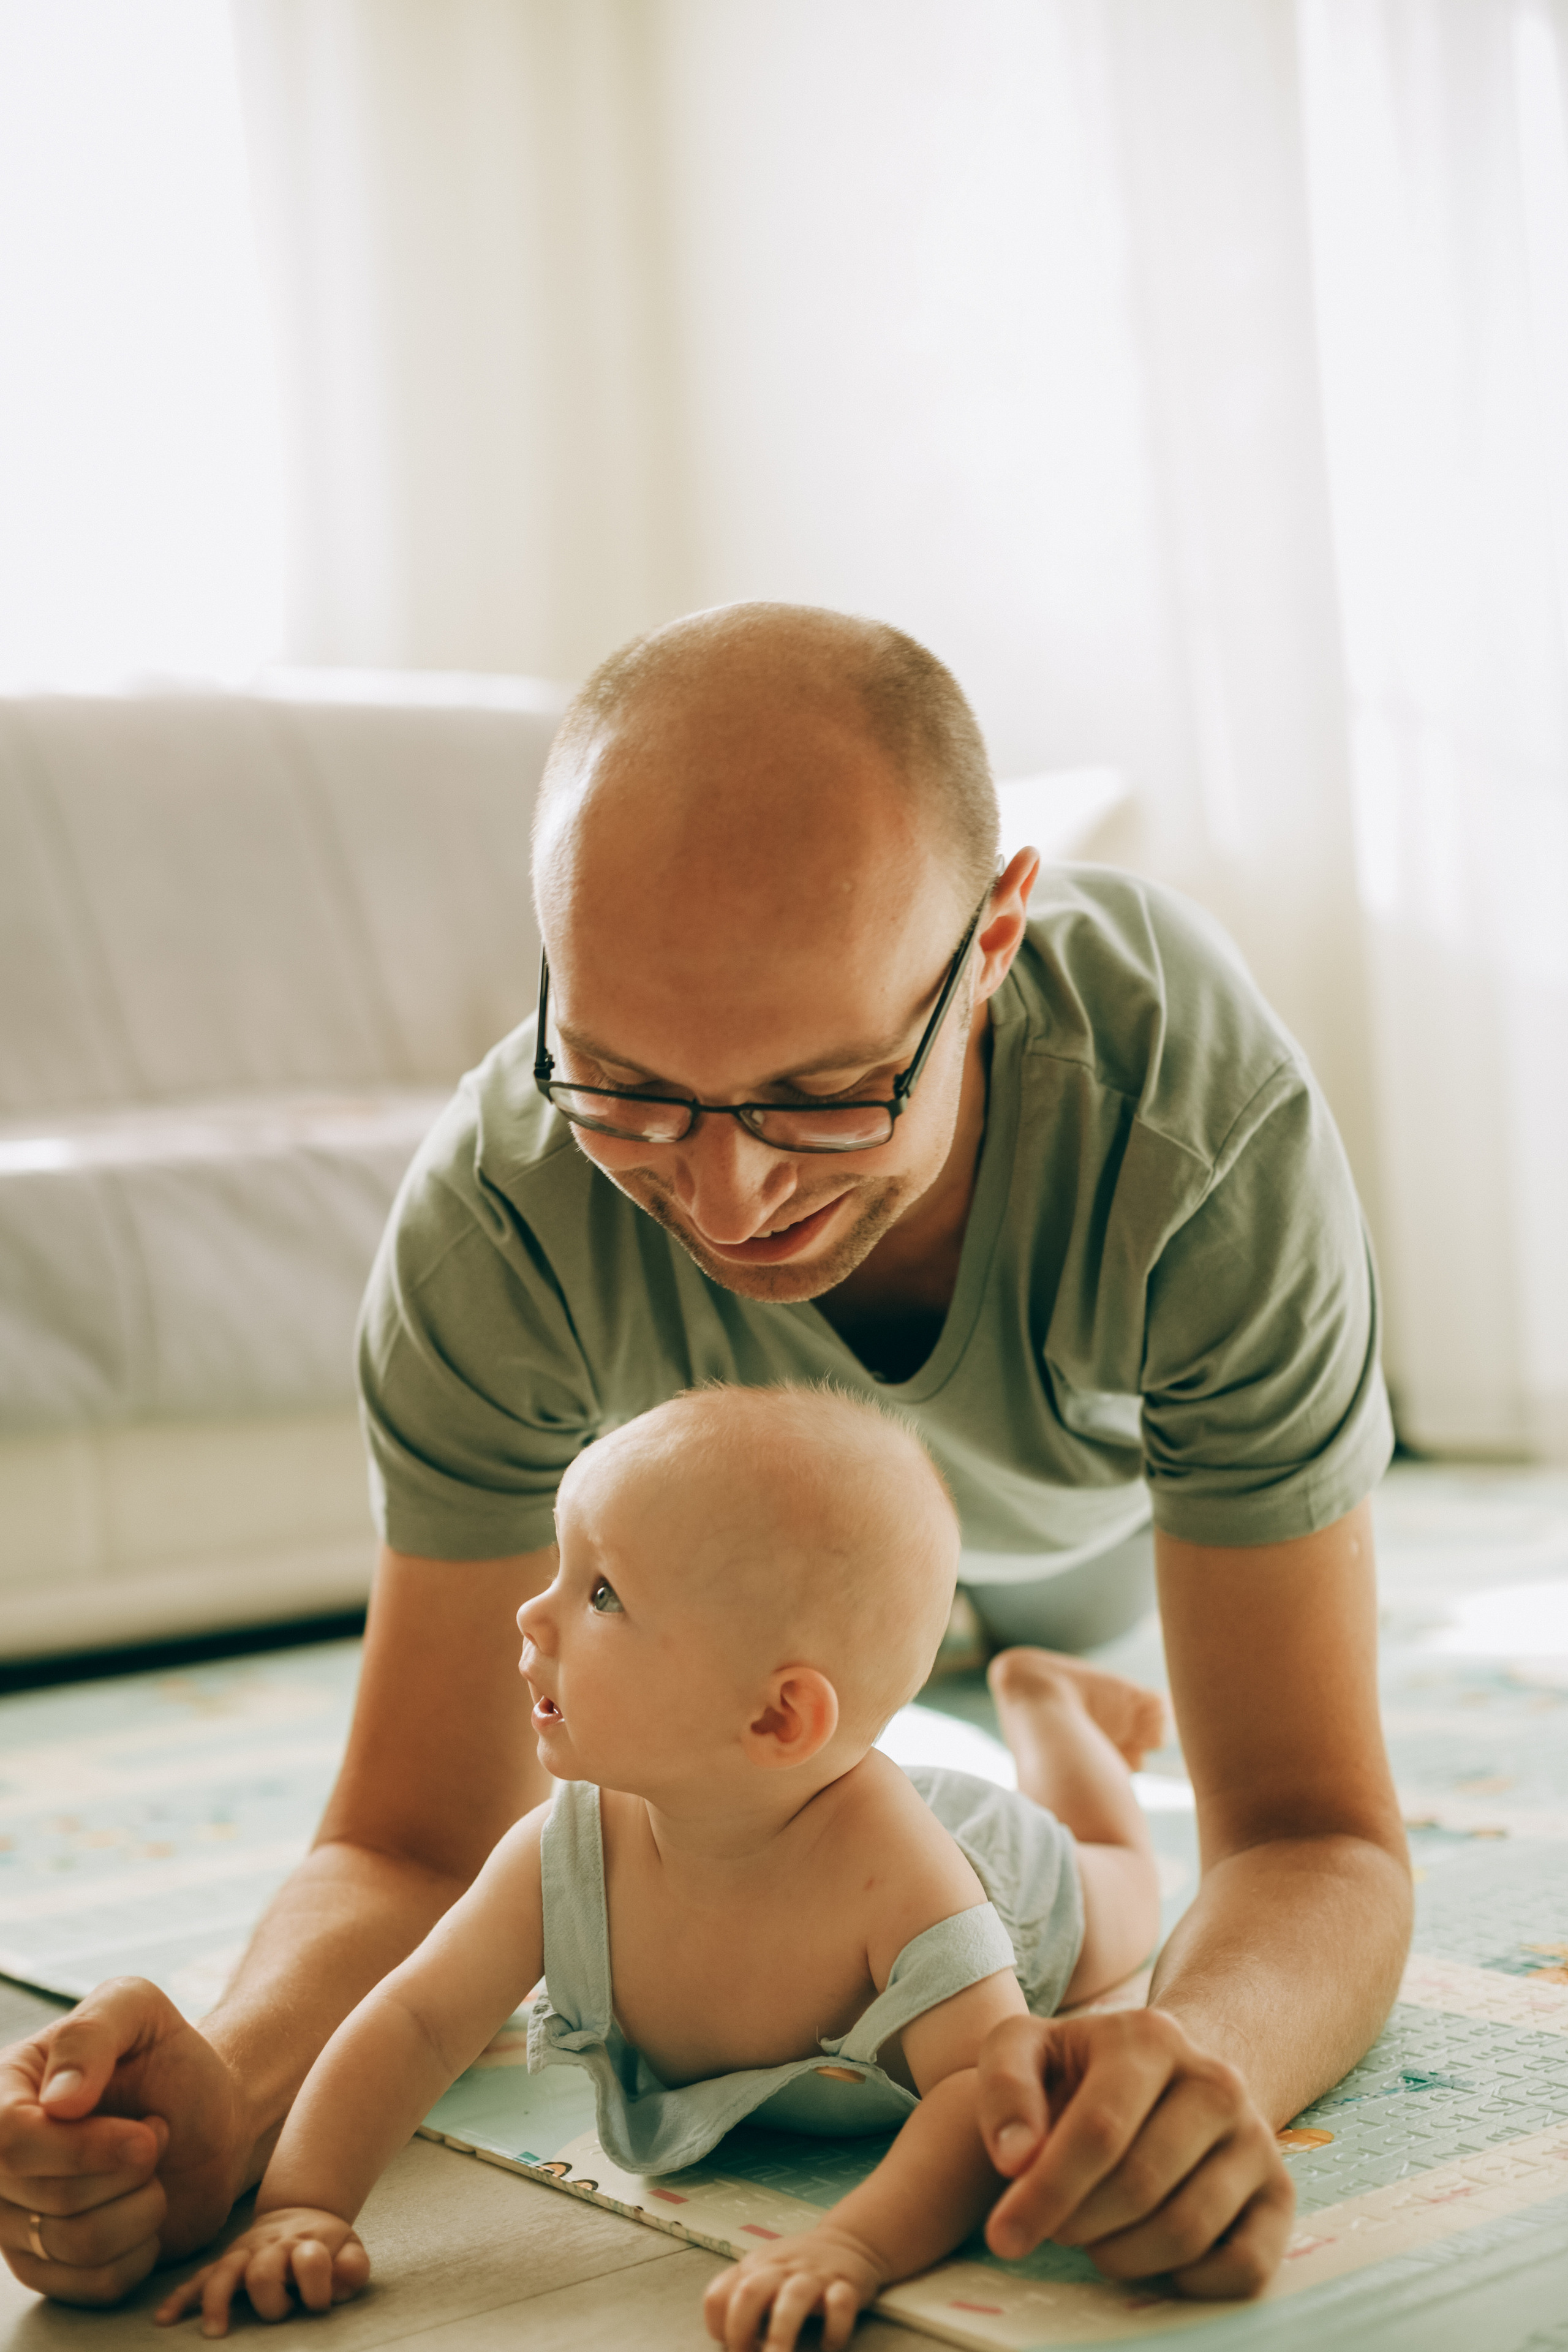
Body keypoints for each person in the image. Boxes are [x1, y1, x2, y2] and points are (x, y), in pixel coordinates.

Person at [0, 603, 1411, 2305]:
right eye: (625, 1087)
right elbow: (413, 1835)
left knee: (1087, 1831)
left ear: (994, 944)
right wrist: (224, 2094)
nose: (729, 1206)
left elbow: (1311, 1831)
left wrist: (1190, 2068)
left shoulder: (1193, 1135)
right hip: (725, 1594)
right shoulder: (502, 1223)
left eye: (825, 1096)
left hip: (1097, 1532)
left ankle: (1045, 1701)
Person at [151, 1385, 1166, 2350]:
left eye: (600, 1594)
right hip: (822, 1795)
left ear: (775, 1716)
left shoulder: (900, 1877)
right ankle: (1042, 1702)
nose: (531, 1616)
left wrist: (854, 2243)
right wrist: (301, 2205)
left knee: (1125, 1880)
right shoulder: (567, 1850)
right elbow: (414, 2022)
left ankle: (1046, 1704)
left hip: (1008, 1877)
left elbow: (980, 2090)